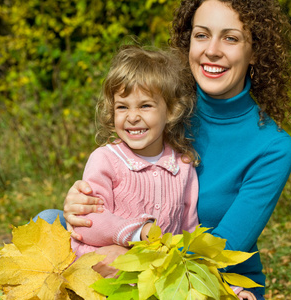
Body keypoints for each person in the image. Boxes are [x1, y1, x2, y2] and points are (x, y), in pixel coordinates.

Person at [37, 0, 291, 299]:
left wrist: (128, 260)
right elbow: (116, 177)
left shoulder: (272, 147)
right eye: (201, 35)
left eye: (230, 38)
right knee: (48, 220)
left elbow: (223, 252)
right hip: (132, 249)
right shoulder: (161, 103)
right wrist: (81, 203)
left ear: (255, 51)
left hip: (208, 277)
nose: (212, 49)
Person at [69, 44, 200, 260]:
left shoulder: (183, 167)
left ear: (170, 110)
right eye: (122, 107)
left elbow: (190, 234)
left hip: (157, 275)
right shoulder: (106, 160)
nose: (132, 117)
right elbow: (87, 223)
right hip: (105, 270)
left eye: (145, 106)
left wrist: (225, 287)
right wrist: (138, 232)